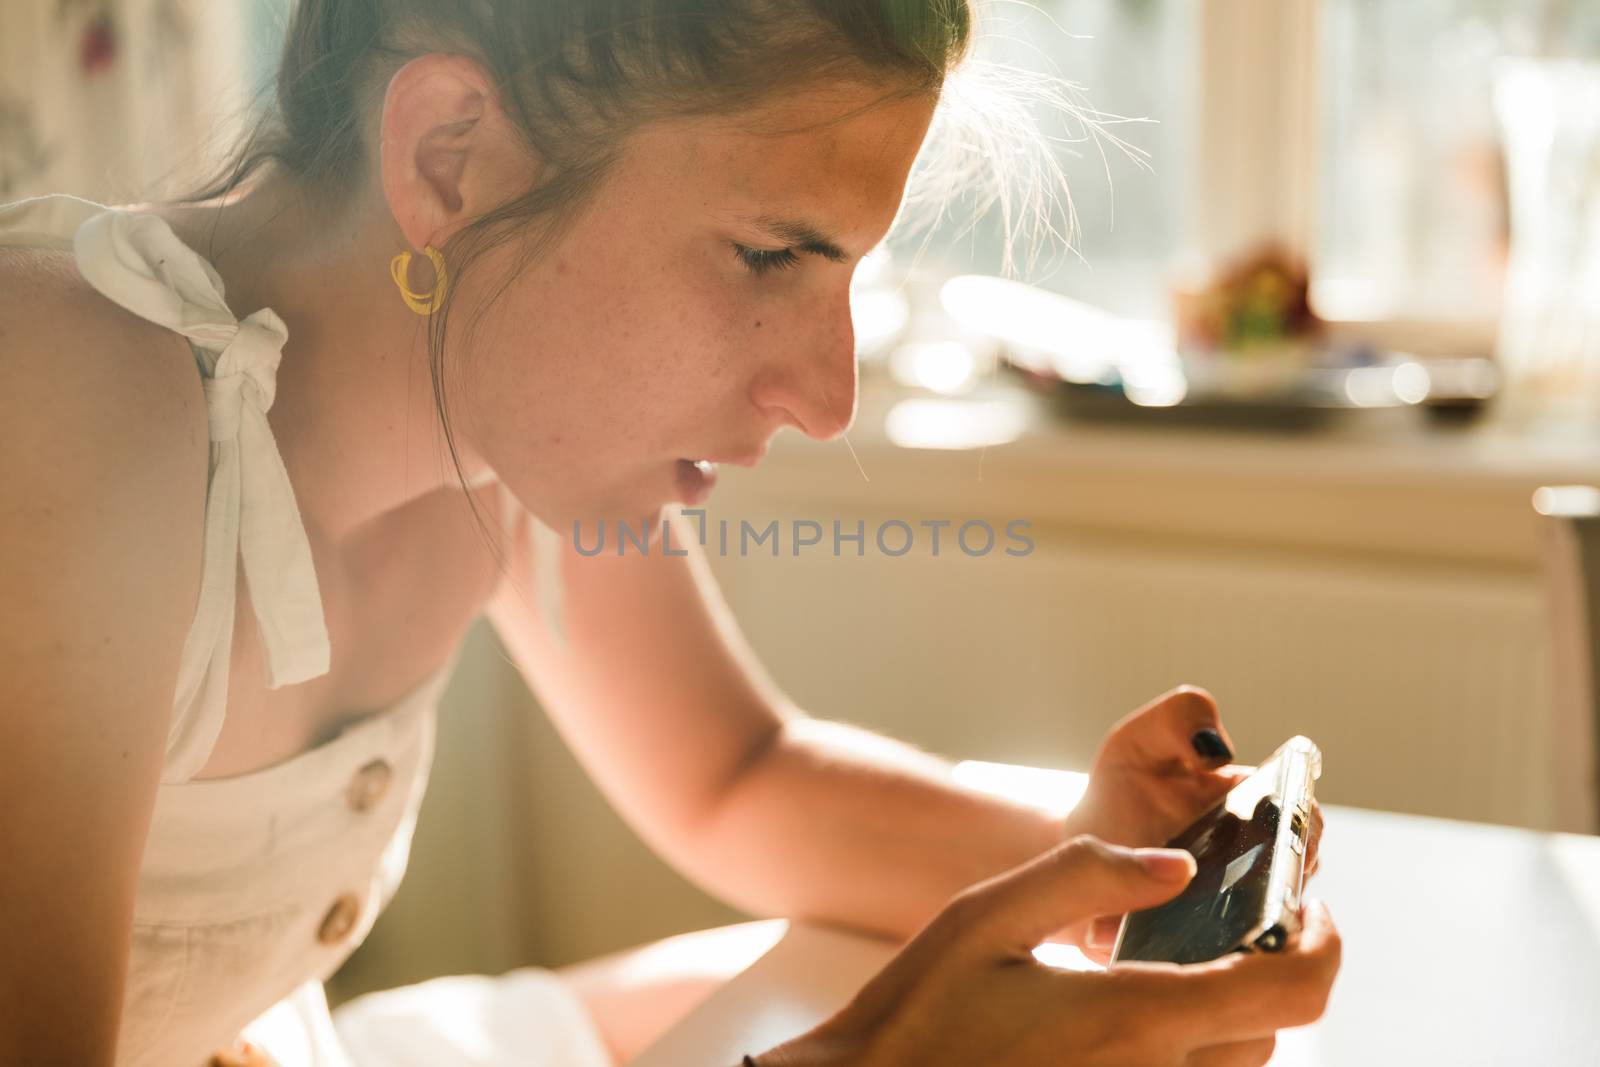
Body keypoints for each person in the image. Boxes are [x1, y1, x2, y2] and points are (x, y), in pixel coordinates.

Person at [0, 1, 1341, 1064]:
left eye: (849, 272)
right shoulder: (61, 400)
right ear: (447, 154)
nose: (828, 400)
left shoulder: (513, 430)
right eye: (770, 255)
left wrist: (1092, 858)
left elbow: (736, 775)